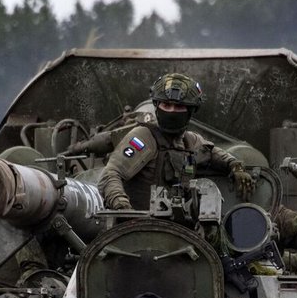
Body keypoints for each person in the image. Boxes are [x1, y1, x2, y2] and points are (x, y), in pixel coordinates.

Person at [98, 73, 255, 211]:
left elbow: (214, 153)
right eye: (166, 105)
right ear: (157, 106)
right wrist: (122, 207)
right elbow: (110, 174)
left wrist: (236, 167)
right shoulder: (143, 137)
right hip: (138, 225)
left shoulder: (190, 141)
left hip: (178, 229)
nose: (172, 111)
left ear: (190, 111)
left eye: (179, 106)